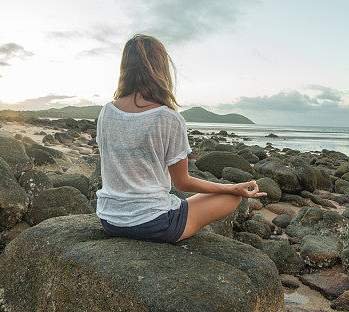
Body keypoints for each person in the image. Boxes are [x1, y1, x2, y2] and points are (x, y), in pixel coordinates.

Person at [95, 34, 266, 243]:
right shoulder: (169, 118)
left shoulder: (106, 112)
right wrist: (231, 187)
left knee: (181, 202)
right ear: (161, 69)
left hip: (110, 220)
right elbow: (182, 182)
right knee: (231, 198)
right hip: (153, 224)